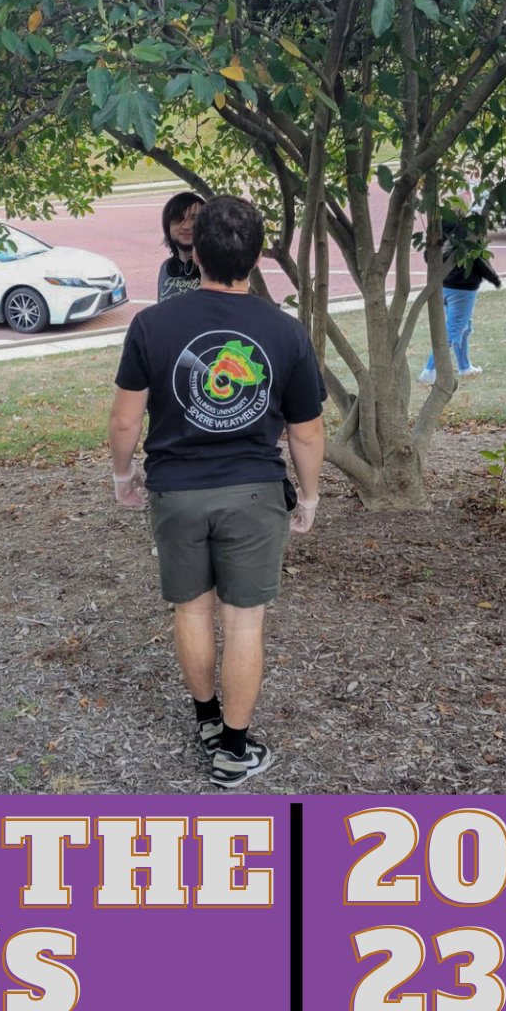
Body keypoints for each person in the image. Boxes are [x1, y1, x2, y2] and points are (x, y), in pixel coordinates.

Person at [108, 195, 325, 789]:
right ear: (256, 256)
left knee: (192, 609)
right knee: (245, 621)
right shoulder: (284, 331)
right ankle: (233, 748)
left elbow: (126, 421)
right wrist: (307, 498)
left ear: (194, 251)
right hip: (256, 494)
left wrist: (124, 478)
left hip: (175, 492)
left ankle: (207, 720)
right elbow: (306, 432)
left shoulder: (152, 324)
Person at [419, 220, 502, 384]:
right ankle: (429, 370)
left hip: (445, 288)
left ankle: (465, 367)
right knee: (453, 330)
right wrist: (495, 280)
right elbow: (480, 263)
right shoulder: (467, 240)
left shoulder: (440, 238)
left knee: (463, 328)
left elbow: (428, 258)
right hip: (463, 291)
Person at [157, 191, 205, 303]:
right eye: (178, 219)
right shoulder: (166, 268)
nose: (187, 226)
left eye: (194, 219)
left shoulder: (218, 271)